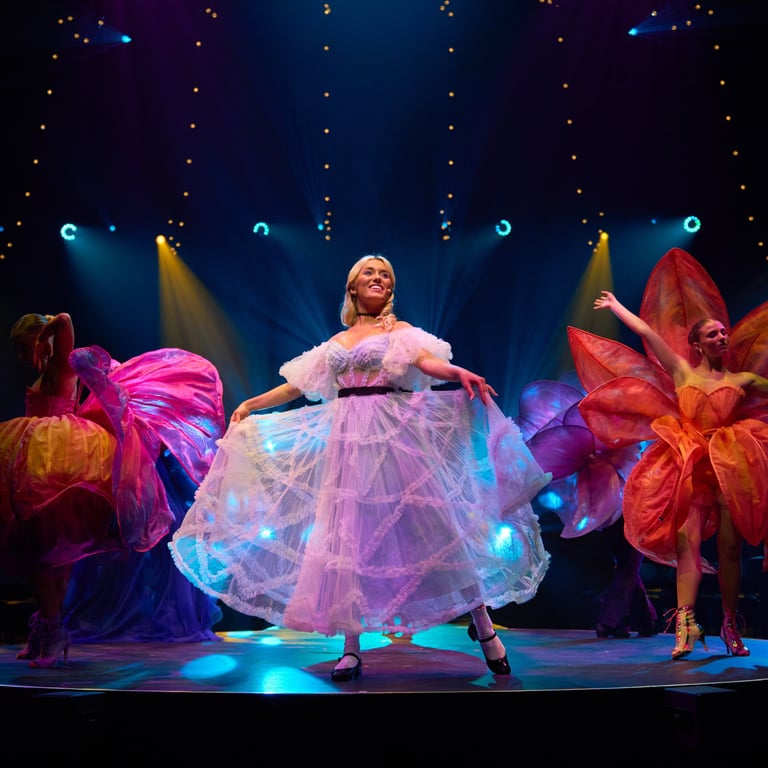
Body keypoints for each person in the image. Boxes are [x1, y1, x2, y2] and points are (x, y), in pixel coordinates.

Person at [169, 253, 552, 680]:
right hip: (347, 445)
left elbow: (427, 363)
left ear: (390, 289)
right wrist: (250, 404)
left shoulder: (399, 332)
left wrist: (457, 371)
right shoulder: (337, 341)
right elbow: (296, 385)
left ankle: (482, 625)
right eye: (370, 273)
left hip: (394, 438)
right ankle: (351, 648)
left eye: (385, 275)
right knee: (347, 538)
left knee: (435, 528)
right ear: (353, 286)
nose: (378, 278)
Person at [0, 311, 226, 666]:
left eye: (23, 347)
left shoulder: (61, 362)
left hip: (60, 460)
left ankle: (54, 631)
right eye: (18, 350)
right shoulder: (45, 371)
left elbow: (65, 319)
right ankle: (49, 628)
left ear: (39, 342)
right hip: (39, 464)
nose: (22, 356)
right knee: (41, 550)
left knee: (47, 552)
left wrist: (46, 336)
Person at [581, 279, 768, 659]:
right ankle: (686, 625)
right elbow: (648, 332)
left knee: (730, 549)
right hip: (690, 467)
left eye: (723, 332)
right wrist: (616, 306)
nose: (722, 337)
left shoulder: (742, 380)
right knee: (688, 545)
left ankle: (729, 624)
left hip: (729, 467)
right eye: (713, 334)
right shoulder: (683, 371)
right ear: (697, 344)